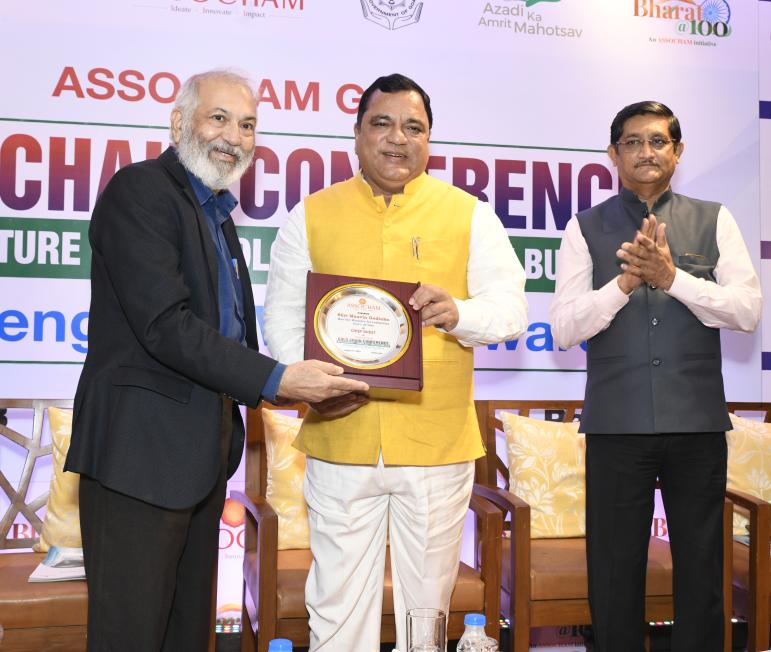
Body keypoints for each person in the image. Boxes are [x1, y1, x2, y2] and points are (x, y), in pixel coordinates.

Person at [64, 69, 368, 652]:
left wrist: (294, 380)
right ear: (179, 123)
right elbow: (165, 326)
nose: (235, 136)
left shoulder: (215, 214)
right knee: (130, 638)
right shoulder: (140, 192)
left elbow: (224, 334)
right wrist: (278, 379)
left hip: (199, 460)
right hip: (138, 459)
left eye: (248, 125)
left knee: (187, 635)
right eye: (220, 118)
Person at [263, 73, 528, 651]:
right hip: (340, 436)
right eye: (381, 124)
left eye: (414, 127)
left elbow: (511, 312)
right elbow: (282, 320)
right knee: (336, 605)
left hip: (436, 444)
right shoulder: (311, 214)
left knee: (425, 611)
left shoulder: (469, 215)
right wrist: (310, 381)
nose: (397, 138)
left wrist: (458, 313)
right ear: (357, 134)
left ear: (430, 139)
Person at [550, 101, 762, 651]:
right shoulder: (584, 227)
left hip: (697, 423)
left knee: (702, 567)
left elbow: (747, 311)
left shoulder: (715, 219)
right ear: (613, 153)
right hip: (616, 425)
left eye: (658, 141)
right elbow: (565, 329)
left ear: (678, 150)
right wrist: (623, 285)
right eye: (633, 141)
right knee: (614, 571)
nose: (646, 151)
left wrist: (673, 278)